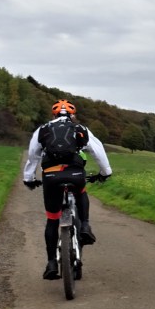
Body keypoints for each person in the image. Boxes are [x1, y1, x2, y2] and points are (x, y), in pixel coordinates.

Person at [23, 100, 113, 280]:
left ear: (53, 115)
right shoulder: (80, 129)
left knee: (52, 219)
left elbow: (33, 156)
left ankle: (51, 263)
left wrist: (29, 178)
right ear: (73, 115)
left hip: (51, 176)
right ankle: (85, 225)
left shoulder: (42, 130)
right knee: (81, 192)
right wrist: (105, 173)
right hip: (75, 174)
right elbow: (98, 151)